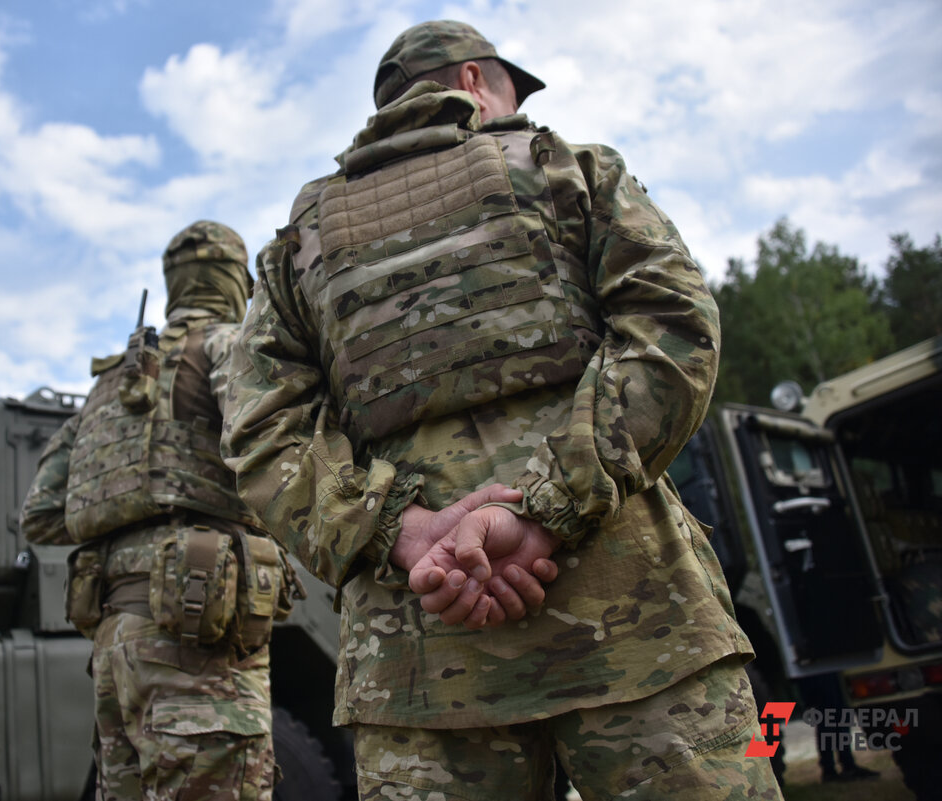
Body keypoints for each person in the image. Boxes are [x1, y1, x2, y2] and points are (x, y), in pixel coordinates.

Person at [222, 20, 781, 801]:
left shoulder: (297, 248)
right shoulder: (568, 168)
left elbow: (260, 428)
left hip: (418, 659)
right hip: (636, 627)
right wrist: (545, 511)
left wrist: (403, 532)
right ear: (477, 81)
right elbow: (673, 327)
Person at [21, 221, 291, 801]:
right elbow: (276, 448)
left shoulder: (106, 387)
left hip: (115, 645)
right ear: (234, 282)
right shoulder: (224, 345)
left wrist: (132, 503)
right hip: (193, 634)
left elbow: (41, 515)